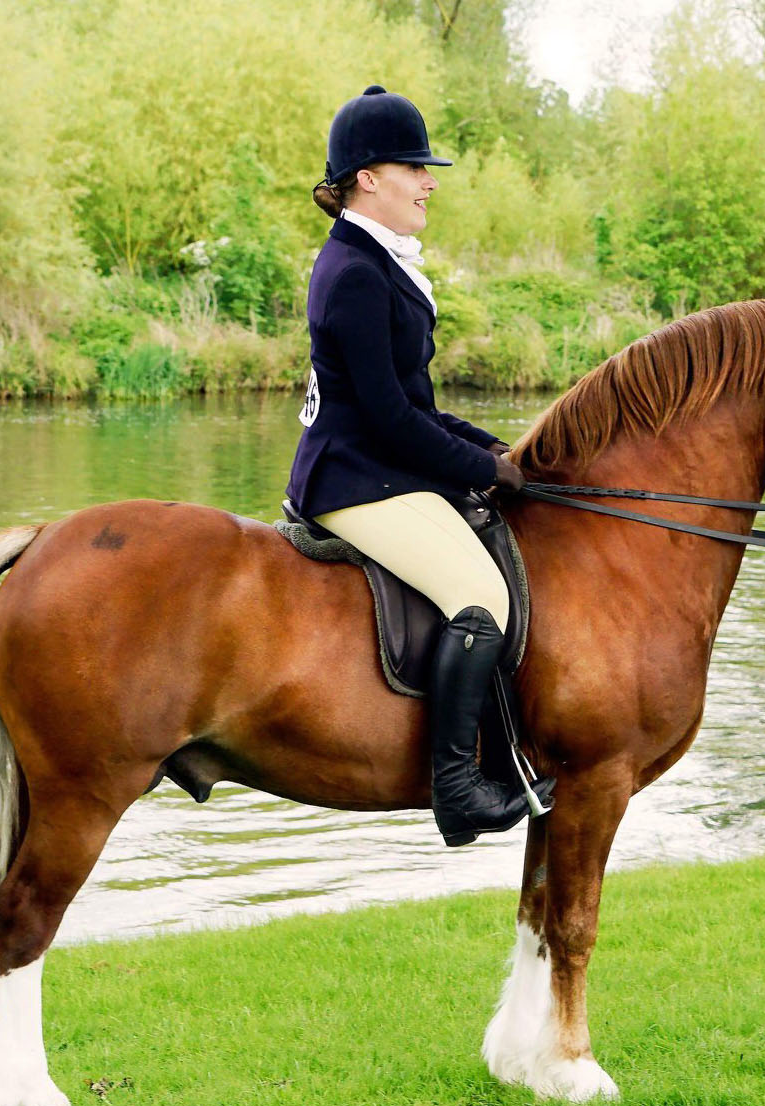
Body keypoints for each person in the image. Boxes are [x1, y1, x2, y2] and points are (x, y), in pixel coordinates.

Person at [286, 85, 553, 847]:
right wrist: (477, 468)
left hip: (379, 463)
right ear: (369, 175)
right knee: (481, 594)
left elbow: (417, 403)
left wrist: (502, 451)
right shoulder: (358, 272)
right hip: (355, 477)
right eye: (416, 168)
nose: (430, 181)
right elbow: (389, 420)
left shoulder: (377, 260)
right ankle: (457, 786)